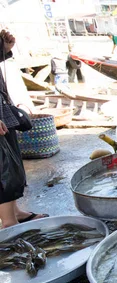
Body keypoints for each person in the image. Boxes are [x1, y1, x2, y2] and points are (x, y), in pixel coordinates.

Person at [0, 29, 48, 228]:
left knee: (13, 164)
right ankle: (9, 223)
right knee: (4, 170)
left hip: (3, 109)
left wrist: (4, 49)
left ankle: (15, 212)